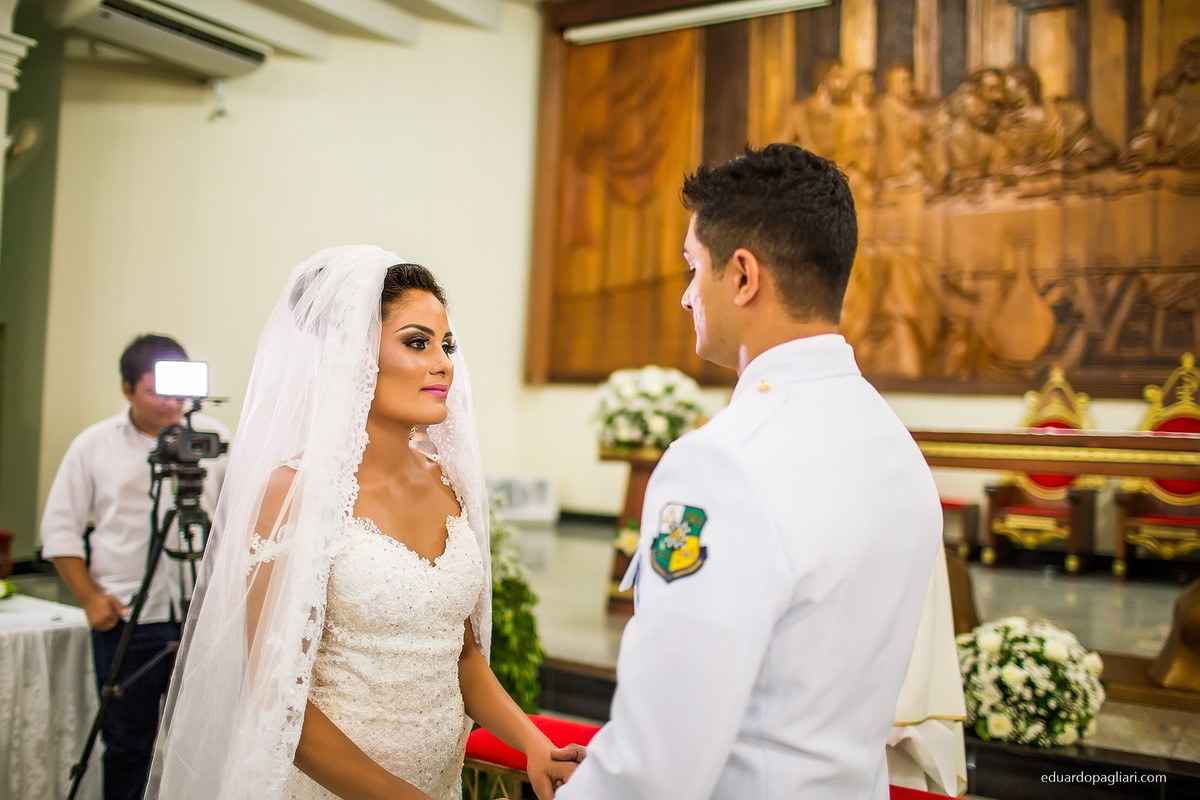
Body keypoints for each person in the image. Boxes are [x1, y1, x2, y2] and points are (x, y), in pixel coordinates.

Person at [552, 144, 944, 798]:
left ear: (742, 276)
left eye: (692, 268)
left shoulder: (720, 464)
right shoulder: (893, 445)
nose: (686, 298)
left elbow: (657, 763)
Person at [145, 246, 574, 800]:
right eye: (417, 343)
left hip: (439, 783)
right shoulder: (292, 494)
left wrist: (534, 743)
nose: (444, 363)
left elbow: (462, 655)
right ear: (351, 355)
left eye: (446, 346)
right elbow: (277, 700)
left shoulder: (448, 484)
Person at [40, 334, 230, 800]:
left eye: (177, 391)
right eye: (156, 390)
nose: (171, 402)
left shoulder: (214, 439)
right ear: (127, 389)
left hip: (201, 616)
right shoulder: (93, 445)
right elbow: (59, 531)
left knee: (202, 741)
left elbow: (239, 519)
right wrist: (90, 600)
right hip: (128, 617)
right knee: (128, 743)